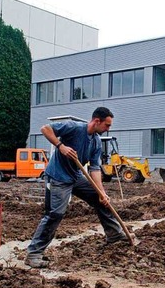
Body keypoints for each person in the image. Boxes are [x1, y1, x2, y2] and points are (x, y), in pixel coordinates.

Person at [25, 107, 126, 268]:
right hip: (58, 177)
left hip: (76, 177)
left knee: (102, 201)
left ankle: (114, 236)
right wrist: (61, 146)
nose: (108, 129)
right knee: (55, 213)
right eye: (107, 125)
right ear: (96, 121)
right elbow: (45, 129)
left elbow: (94, 168)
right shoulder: (74, 127)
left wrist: (102, 192)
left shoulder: (96, 141)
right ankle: (34, 253)